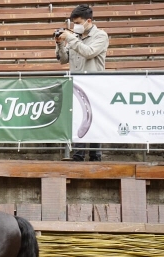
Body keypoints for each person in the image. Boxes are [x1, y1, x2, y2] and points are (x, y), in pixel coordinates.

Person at [57, 4, 109, 162]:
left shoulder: (101, 36)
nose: (75, 26)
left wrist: (71, 38)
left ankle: (95, 157)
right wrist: (59, 43)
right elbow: (64, 60)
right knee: (78, 118)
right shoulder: (75, 38)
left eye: (78, 23)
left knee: (94, 120)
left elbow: (89, 52)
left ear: (89, 21)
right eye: (74, 23)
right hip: (77, 84)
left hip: (95, 85)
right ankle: (77, 156)